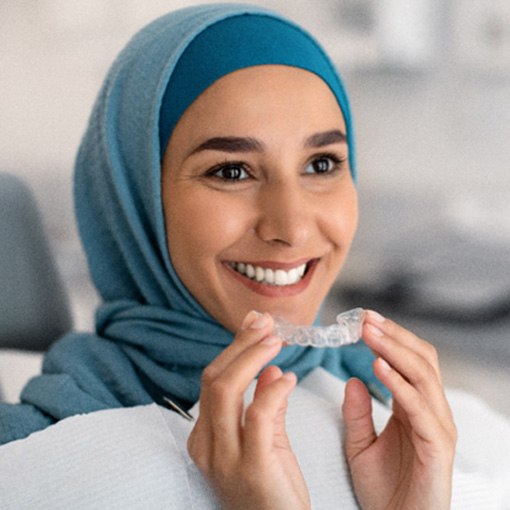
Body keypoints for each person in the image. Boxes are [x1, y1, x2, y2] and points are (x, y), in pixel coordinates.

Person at [0, 4, 458, 509]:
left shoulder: (417, 426)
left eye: (321, 163)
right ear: (134, 199)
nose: (292, 227)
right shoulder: (29, 461)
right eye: (232, 171)